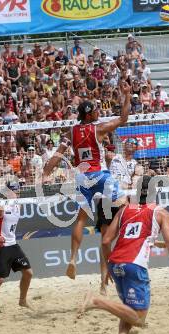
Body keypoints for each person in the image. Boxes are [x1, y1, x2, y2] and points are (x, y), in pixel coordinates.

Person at [79, 176, 169, 334]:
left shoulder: (124, 210)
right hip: (134, 264)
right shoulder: (161, 212)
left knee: (129, 307)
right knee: (139, 318)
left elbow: (106, 240)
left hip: (115, 262)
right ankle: (96, 301)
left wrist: (109, 266)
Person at [43, 81, 131, 280]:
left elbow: (57, 155)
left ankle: (73, 258)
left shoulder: (70, 133)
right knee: (125, 205)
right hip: (100, 174)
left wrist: (45, 172)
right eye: (96, 111)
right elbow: (124, 118)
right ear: (89, 114)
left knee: (80, 220)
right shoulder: (98, 129)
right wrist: (126, 95)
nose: (99, 112)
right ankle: (124, 242)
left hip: (83, 178)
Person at [0, 181, 33, 314]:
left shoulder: (18, 206)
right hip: (1, 246)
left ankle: (22, 300)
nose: (17, 193)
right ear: (8, 192)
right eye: (15, 191)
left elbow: (10, 227)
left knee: (28, 272)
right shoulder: (0, 206)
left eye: (18, 191)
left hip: (13, 244)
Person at [96, 137, 139, 295]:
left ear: (136, 148)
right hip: (106, 199)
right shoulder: (114, 157)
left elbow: (135, 184)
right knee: (105, 242)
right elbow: (105, 161)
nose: (129, 144)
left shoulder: (136, 165)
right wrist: (106, 149)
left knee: (126, 239)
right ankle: (103, 281)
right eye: (127, 142)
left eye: (132, 143)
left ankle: (125, 275)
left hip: (123, 201)